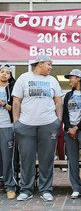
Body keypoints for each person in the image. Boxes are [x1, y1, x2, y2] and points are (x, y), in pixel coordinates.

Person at [12, 54, 63, 201]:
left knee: (46, 159)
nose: (51, 67)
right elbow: (16, 101)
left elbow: (58, 102)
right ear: (40, 63)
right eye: (49, 64)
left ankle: (46, 189)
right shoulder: (23, 78)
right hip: (26, 126)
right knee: (26, 159)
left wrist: (57, 121)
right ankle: (26, 190)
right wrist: (16, 122)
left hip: (48, 125)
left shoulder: (53, 81)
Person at [63, 69, 81, 199]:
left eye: (71, 78)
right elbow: (65, 114)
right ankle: (76, 187)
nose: (69, 81)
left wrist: (77, 127)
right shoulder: (68, 95)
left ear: (78, 78)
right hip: (69, 132)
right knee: (72, 161)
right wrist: (69, 128)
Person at [0, 64, 16, 199]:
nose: (4, 74)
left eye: (7, 73)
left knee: (7, 158)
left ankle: (10, 186)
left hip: (6, 126)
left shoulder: (12, 88)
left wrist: (3, 104)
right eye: (2, 72)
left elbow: (14, 108)